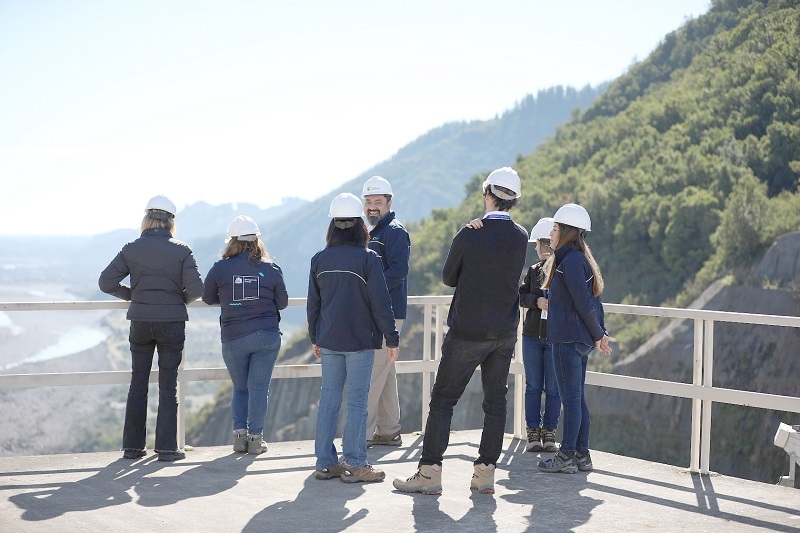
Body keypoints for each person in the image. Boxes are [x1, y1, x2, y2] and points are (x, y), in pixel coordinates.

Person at [393, 167, 528, 495]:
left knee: (443, 400)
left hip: (468, 330)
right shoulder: (522, 236)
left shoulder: (470, 233)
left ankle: (429, 475)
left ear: (487, 194)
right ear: (513, 200)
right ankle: (484, 475)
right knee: (496, 402)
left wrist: (464, 235)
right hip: (505, 331)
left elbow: (448, 277)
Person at [99, 195, 203, 462]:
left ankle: (133, 448)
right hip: (172, 323)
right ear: (170, 222)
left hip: (140, 322)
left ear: (147, 219)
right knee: (168, 385)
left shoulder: (131, 248)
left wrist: (133, 295)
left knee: (138, 383)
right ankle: (168, 449)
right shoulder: (182, 250)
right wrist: (175, 300)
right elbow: (196, 290)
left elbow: (106, 282)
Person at [308, 192, 400, 483]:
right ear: (360, 226)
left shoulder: (319, 259)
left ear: (332, 226)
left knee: (329, 401)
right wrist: (392, 338)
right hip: (360, 342)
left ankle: (325, 463)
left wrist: (315, 337)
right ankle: (356, 463)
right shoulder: (368, 258)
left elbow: (314, 304)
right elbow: (381, 303)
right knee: (358, 402)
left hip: (330, 341)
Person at [202, 215, 288, 455]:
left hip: (233, 336)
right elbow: (282, 303)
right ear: (256, 240)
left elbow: (208, 298)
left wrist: (231, 300)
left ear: (232, 241)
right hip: (266, 337)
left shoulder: (221, 268)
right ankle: (256, 439)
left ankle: (239, 438)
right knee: (259, 389)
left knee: (241, 389)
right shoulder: (271, 269)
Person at [537, 203, 612, 474]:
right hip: (578, 340)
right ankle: (582, 454)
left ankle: (566, 455)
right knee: (577, 398)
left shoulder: (568, 262)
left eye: (555, 228)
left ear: (567, 231)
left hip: (567, 340)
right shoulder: (578, 259)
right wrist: (598, 334)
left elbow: (583, 304)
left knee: (570, 399)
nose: (551, 233)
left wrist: (599, 335)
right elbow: (593, 303)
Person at [362, 176, 410, 447]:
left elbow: (398, 272)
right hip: (381, 310)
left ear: (389, 203)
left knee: (373, 372)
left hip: (387, 312)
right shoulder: (375, 232)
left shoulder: (394, 231)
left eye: (378, 202)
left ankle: (362, 435)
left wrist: (372, 294)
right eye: (368, 202)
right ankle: (389, 429)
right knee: (385, 371)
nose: (372, 207)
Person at [519, 217, 561, 453]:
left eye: (537, 244)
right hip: (533, 336)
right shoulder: (533, 271)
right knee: (534, 386)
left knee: (553, 388)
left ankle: (549, 434)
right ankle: (533, 433)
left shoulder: (561, 269)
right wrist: (536, 301)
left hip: (554, 338)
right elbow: (521, 296)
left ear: (545, 243)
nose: (535, 248)